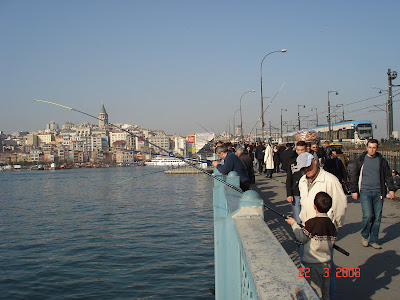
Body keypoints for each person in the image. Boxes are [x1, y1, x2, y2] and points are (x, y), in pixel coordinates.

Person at [295, 152, 347, 300]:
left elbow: (340, 206)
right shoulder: (302, 181)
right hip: (308, 229)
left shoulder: (330, 180)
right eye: (303, 168)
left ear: (315, 162)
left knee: (326, 271)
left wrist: (333, 228)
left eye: (307, 167)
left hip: (323, 233)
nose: (305, 170)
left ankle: (327, 297)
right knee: (307, 266)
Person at [286, 192, 337, 300]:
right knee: (325, 291)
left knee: (315, 291)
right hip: (326, 262)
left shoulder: (312, 223)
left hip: (313, 264)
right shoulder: (331, 225)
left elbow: (301, 238)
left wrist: (294, 224)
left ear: (314, 206)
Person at [349, 139, 395, 249]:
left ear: (377, 148)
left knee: (377, 218)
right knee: (368, 215)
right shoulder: (361, 160)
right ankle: (365, 236)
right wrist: (354, 190)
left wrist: (391, 189)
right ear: (367, 147)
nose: (372, 150)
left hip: (379, 192)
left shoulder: (381, 160)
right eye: (370, 147)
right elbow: (354, 175)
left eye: (374, 148)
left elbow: (388, 175)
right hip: (365, 191)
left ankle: (374, 240)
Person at [286, 141, 307, 224]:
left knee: (307, 217)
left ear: (306, 150)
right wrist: (289, 194)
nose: (300, 152)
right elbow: (289, 179)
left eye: (302, 150)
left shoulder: (312, 162)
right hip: (296, 193)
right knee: (297, 218)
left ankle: (306, 235)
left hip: (308, 193)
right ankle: (299, 235)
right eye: (298, 150)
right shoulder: (292, 163)